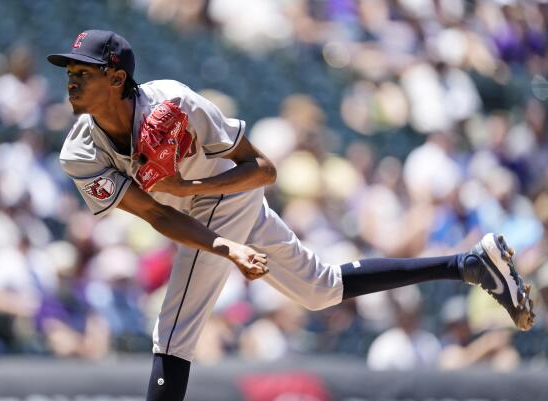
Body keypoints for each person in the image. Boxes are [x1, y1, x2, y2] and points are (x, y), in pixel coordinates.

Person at [47, 30, 534, 401]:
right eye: (69, 69)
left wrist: (192, 190)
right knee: (322, 290)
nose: (71, 78)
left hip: (224, 193)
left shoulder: (177, 102)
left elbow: (262, 169)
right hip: (191, 213)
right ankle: (467, 265)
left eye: (83, 71)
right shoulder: (79, 152)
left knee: (173, 331)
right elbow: (156, 215)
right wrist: (225, 245)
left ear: (115, 78)